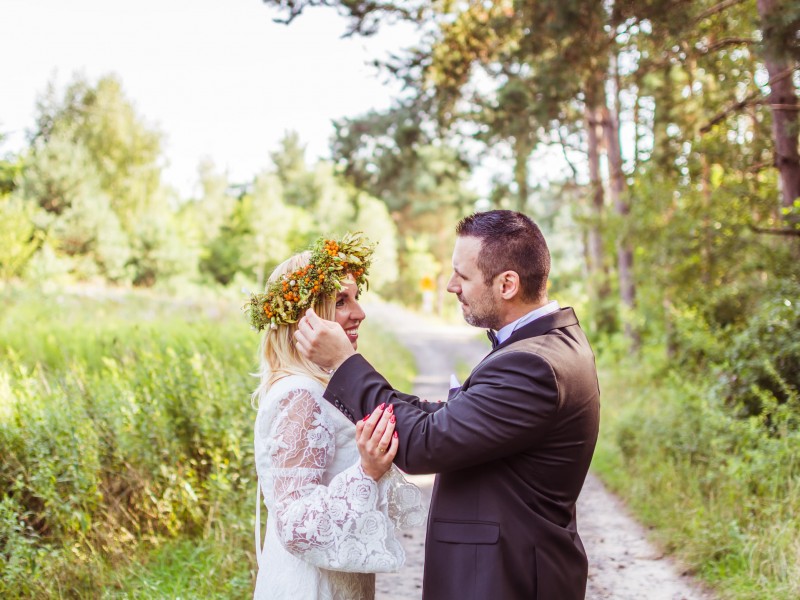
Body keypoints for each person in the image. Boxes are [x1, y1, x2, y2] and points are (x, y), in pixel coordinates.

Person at [294, 210, 601, 600]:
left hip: (504, 579)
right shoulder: (546, 345)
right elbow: (446, 419)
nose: (451, 286)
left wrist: (344, 364)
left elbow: (423, 444)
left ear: (507, 283)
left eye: (463, 275)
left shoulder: (533, 365)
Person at [247, 233, 425, 600]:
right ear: (304, 318)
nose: (359, 313)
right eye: (341, 301)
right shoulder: (301, 395)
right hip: (310, 587)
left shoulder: (318, 388)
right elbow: (295, 526)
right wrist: (367, 472)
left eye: (356, 298)